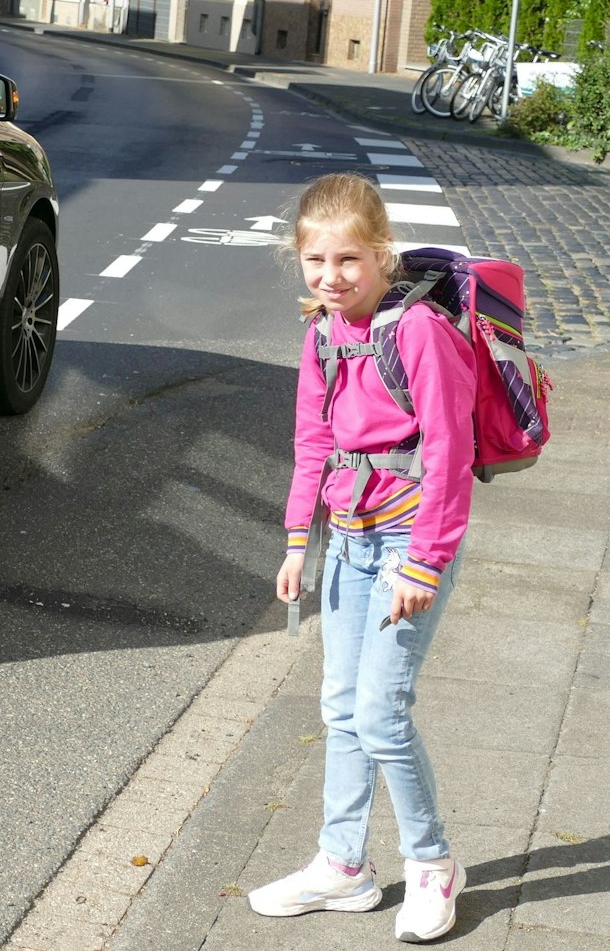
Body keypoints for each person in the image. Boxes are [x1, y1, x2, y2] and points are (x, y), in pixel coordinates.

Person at [247, 172, 475, 944]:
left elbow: (449, 450)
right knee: (340, 707)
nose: (331, 276)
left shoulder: (418, 332)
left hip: (411, 539)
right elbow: (313, 440)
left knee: (381, 712)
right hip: (348, 538)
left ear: (382, 254)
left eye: (348, 260)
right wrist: (295, 541)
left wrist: (426, 562)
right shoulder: (320, 332)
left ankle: (433, 863)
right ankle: (344, 864)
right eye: (316, 261)